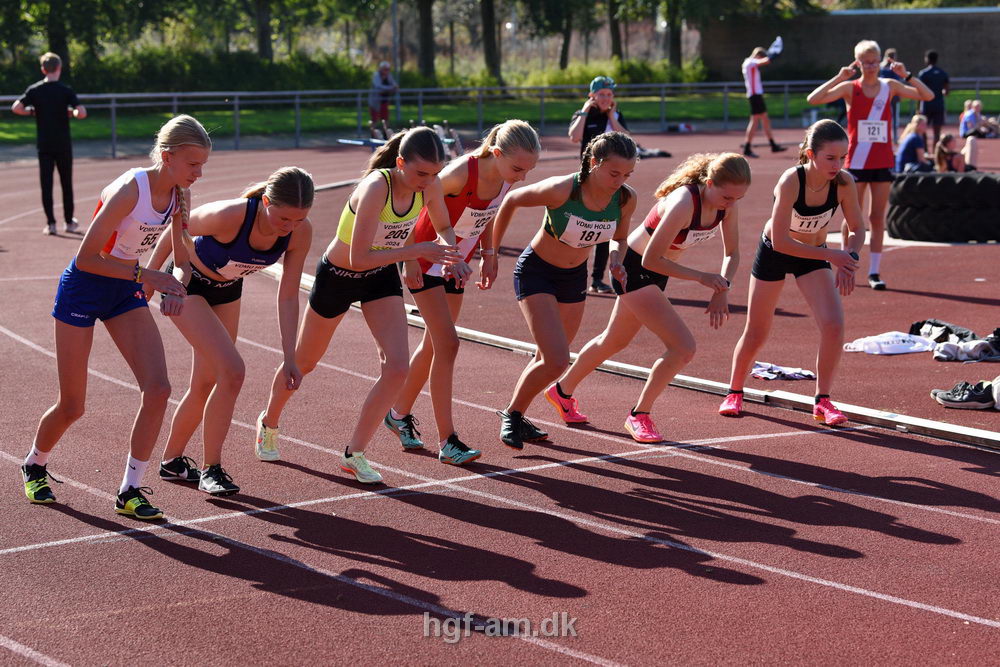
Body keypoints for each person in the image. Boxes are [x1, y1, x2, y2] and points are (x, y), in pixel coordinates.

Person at [21, 115, 211, 520]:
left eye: (203, 165)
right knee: (73, 405)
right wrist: (149, 276)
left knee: (158, 388)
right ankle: (35, 463)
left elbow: (183, 260)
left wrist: (177, 283)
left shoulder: (180, 195)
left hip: (124, 287)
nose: (199, 173)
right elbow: (86, 259)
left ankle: (130, 489)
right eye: (193, 164)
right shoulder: (130, 190)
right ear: (167, 156)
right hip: (84, 287)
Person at [254, 127, 461, 484]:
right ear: (400, 164)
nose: (428, 181)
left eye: (435, 174)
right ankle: (269, 421)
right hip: (340, 275)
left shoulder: (429, 185)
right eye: (421, 173)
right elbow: (359, 256)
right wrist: (416, 252)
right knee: (304, 363)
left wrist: (452, 252)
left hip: (379, 275)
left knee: (397, 367)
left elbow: (442, 224)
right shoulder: (376, 188)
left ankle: (355, 453)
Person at [546, 153, 749, 443]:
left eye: (737, 198)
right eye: (728, 196)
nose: (731, 203)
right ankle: (639, 414)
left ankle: (560, 391)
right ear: (710, 182)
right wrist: (703, 278)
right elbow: (651, 260)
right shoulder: (683, 203)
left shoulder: (727, 206)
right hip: (635, 268)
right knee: (683, 348)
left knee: (614, 340)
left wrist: (723, 287)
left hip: (657, 271)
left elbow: (733, 253)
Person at [145, 167, 314, 496]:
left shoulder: (299, 232)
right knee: (233, 371)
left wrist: (290, 356)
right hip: (187, 284)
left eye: (298, 219)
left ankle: (172, 462)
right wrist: (153, 276)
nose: (290, 227)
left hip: (226, 291)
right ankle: (213, 469)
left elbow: (289, 294)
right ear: (265, 201)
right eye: (283, 219)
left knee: (206, 382)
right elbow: (176, 229)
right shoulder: (230, 215)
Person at [386, 120, 541, 465]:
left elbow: (487, 213)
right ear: (496, 153)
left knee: (433, 345)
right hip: (426, 260)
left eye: (528, 170)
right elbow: (417, 204)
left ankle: (397, 414)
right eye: (517, 168)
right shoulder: (459, 173)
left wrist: (488, 254)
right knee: (448, 343)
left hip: (457, 263)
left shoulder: (504, 177)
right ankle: (448, 440)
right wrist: (410, 258)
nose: (522, 177)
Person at [491, 132, 638, 450]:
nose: (620, 180)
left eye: (627, 174)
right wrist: (491, 253)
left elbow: (620, 237)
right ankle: (512, 415)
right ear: (593, 163)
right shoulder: (563, 189)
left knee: (548, 357)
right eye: (614, 173)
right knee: (558, 361)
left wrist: (616, 258)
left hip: (573, 277)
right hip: (537, 272)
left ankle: (518, 415)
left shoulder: (625, 198)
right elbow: (513, 199)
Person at [719, 120, 865, 426]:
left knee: (834, 325)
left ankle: (822, 400)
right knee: (757, 331)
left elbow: (857, 226)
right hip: (776, 252)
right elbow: (782, 240)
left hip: (812, 256)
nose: (837, 165)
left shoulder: (844, 182)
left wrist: (850, 258)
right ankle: (734, 390)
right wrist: (833, 256)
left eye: (843, 157)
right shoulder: (791, 181)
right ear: (810, 154)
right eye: (830, 158)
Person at [807, 39, 933, 292]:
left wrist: (906, 74)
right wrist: (838, 76)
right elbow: (813, 99)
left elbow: (927, 95)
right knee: (853, 218)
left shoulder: (890, 86)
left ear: (881, 61)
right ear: (858, 62)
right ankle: (846, 263)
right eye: (865, 61)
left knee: (877, 217)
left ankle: (875, 271)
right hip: (855, 161)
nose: (871, 66)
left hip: (883, 160)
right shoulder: (849, 88)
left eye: (874, 61)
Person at [10, 52, 87, 236]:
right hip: (63, 144)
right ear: (59, 68)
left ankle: (51, 223)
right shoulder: (65, 90)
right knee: (66, 183)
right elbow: (82, 112)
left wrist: (32, 112)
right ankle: (69, 222)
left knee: (46, 184)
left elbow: (16, 108)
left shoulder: (35, 90)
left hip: (44, 144)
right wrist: (73, 113)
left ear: (43, 69)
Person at [568, 76, 631, 294]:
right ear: (592, 95)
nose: (605, 98)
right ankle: (571, 274)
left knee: (604, 227)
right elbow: (574, 137)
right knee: (579, 227)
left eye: (609, 94)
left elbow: (626, 140)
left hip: (610, 182)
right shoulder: (584, 114)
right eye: (601, 94)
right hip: (587, 179)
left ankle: (596, 280)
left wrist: (612, 116)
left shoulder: (615, 115)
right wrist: (585, 111)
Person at [741, 47, 787, 158]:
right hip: (755, 96)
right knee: (757, 121)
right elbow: (766, 61)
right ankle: (748, 147)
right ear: (758, 55)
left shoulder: (749, 62)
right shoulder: (750, 62)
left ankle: (772, 145)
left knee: (762, 120)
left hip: (755, 96)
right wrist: (774, 54)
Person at [918, 50, 949, 148]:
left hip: (926, 104)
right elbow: (947, 91)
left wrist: (918, 107)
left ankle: (925, 151)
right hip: (938, 104)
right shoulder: (943, 73)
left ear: (927, 59)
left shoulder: (923, 73)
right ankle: (936, 154)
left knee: (922, 129)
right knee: (937, 132)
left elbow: (919, 91)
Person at [878, 48, 902, 142]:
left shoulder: (881, 67)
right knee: (893, 116)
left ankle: (885, 136)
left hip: (882, 95)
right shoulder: (894, 67)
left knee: (883, 116)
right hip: (893, 94)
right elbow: (897, 81)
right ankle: (894, 137)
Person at [368, 61, 397, 129]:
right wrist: (390, 88)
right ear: (381, 69)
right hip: (375, 102)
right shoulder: (376, 75)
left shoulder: (388, 76)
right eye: (385, 69)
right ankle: (373, 135)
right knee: (374, 119)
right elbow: (378, 86)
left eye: (388, 69)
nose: (387, 71)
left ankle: (385, 135)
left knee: (385, 119)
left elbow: (394, 84)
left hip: (384, 101)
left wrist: (393, 87)